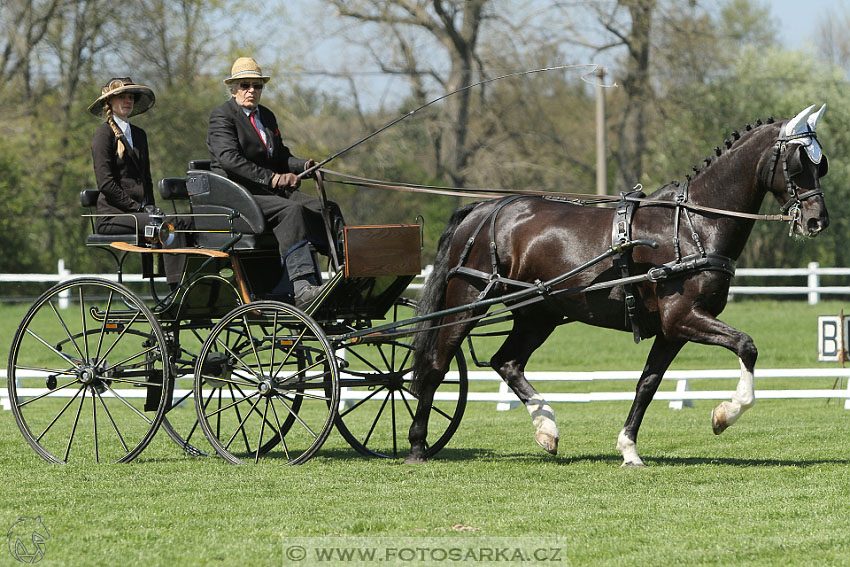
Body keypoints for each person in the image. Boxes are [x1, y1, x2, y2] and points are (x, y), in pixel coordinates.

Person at [207, 57, 341, 307]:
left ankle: (345, 272)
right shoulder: (222, 116)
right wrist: (273, 178)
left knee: (328, 208)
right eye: (245, 85)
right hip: (239, 195)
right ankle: (302, 286)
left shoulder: (266, 116)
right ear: (233, 89)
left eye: (257, 85)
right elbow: (229, 160)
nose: (252, 90)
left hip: (269, 194)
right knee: (292, 211)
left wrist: (304, 166)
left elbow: (280, 157)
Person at [88, 77, 187, 286]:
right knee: (166, 225)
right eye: (122, 97)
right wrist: (139, 208)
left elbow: (146, 179)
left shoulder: (139, 135)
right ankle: (175, 288)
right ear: (110, 102)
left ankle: (189, 283)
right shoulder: (103, 135)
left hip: (140, 214)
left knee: (183, 223)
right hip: (113, 216)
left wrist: (150, 206)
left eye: (131, 97)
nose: (128, 101)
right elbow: (106, 184)